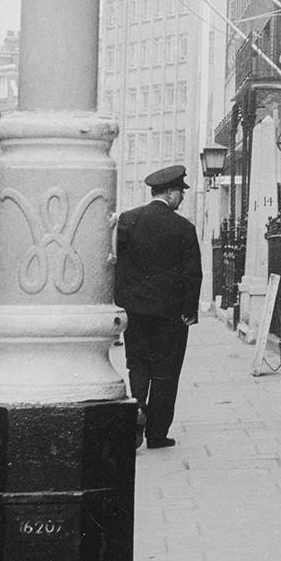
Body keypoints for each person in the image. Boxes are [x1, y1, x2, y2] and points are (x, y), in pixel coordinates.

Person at [113, 162, 202, 449]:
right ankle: (157, 433)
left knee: (137, 363)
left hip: (135, 311)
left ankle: (138, 405)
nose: (182, 198)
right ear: (172, 193)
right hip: (170, 314)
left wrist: (122, 301)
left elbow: (116, 263)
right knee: (166, 372)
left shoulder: (127, 220)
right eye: (181, 193)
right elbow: (193, 273)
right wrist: (189, 311)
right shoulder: (183, 227)